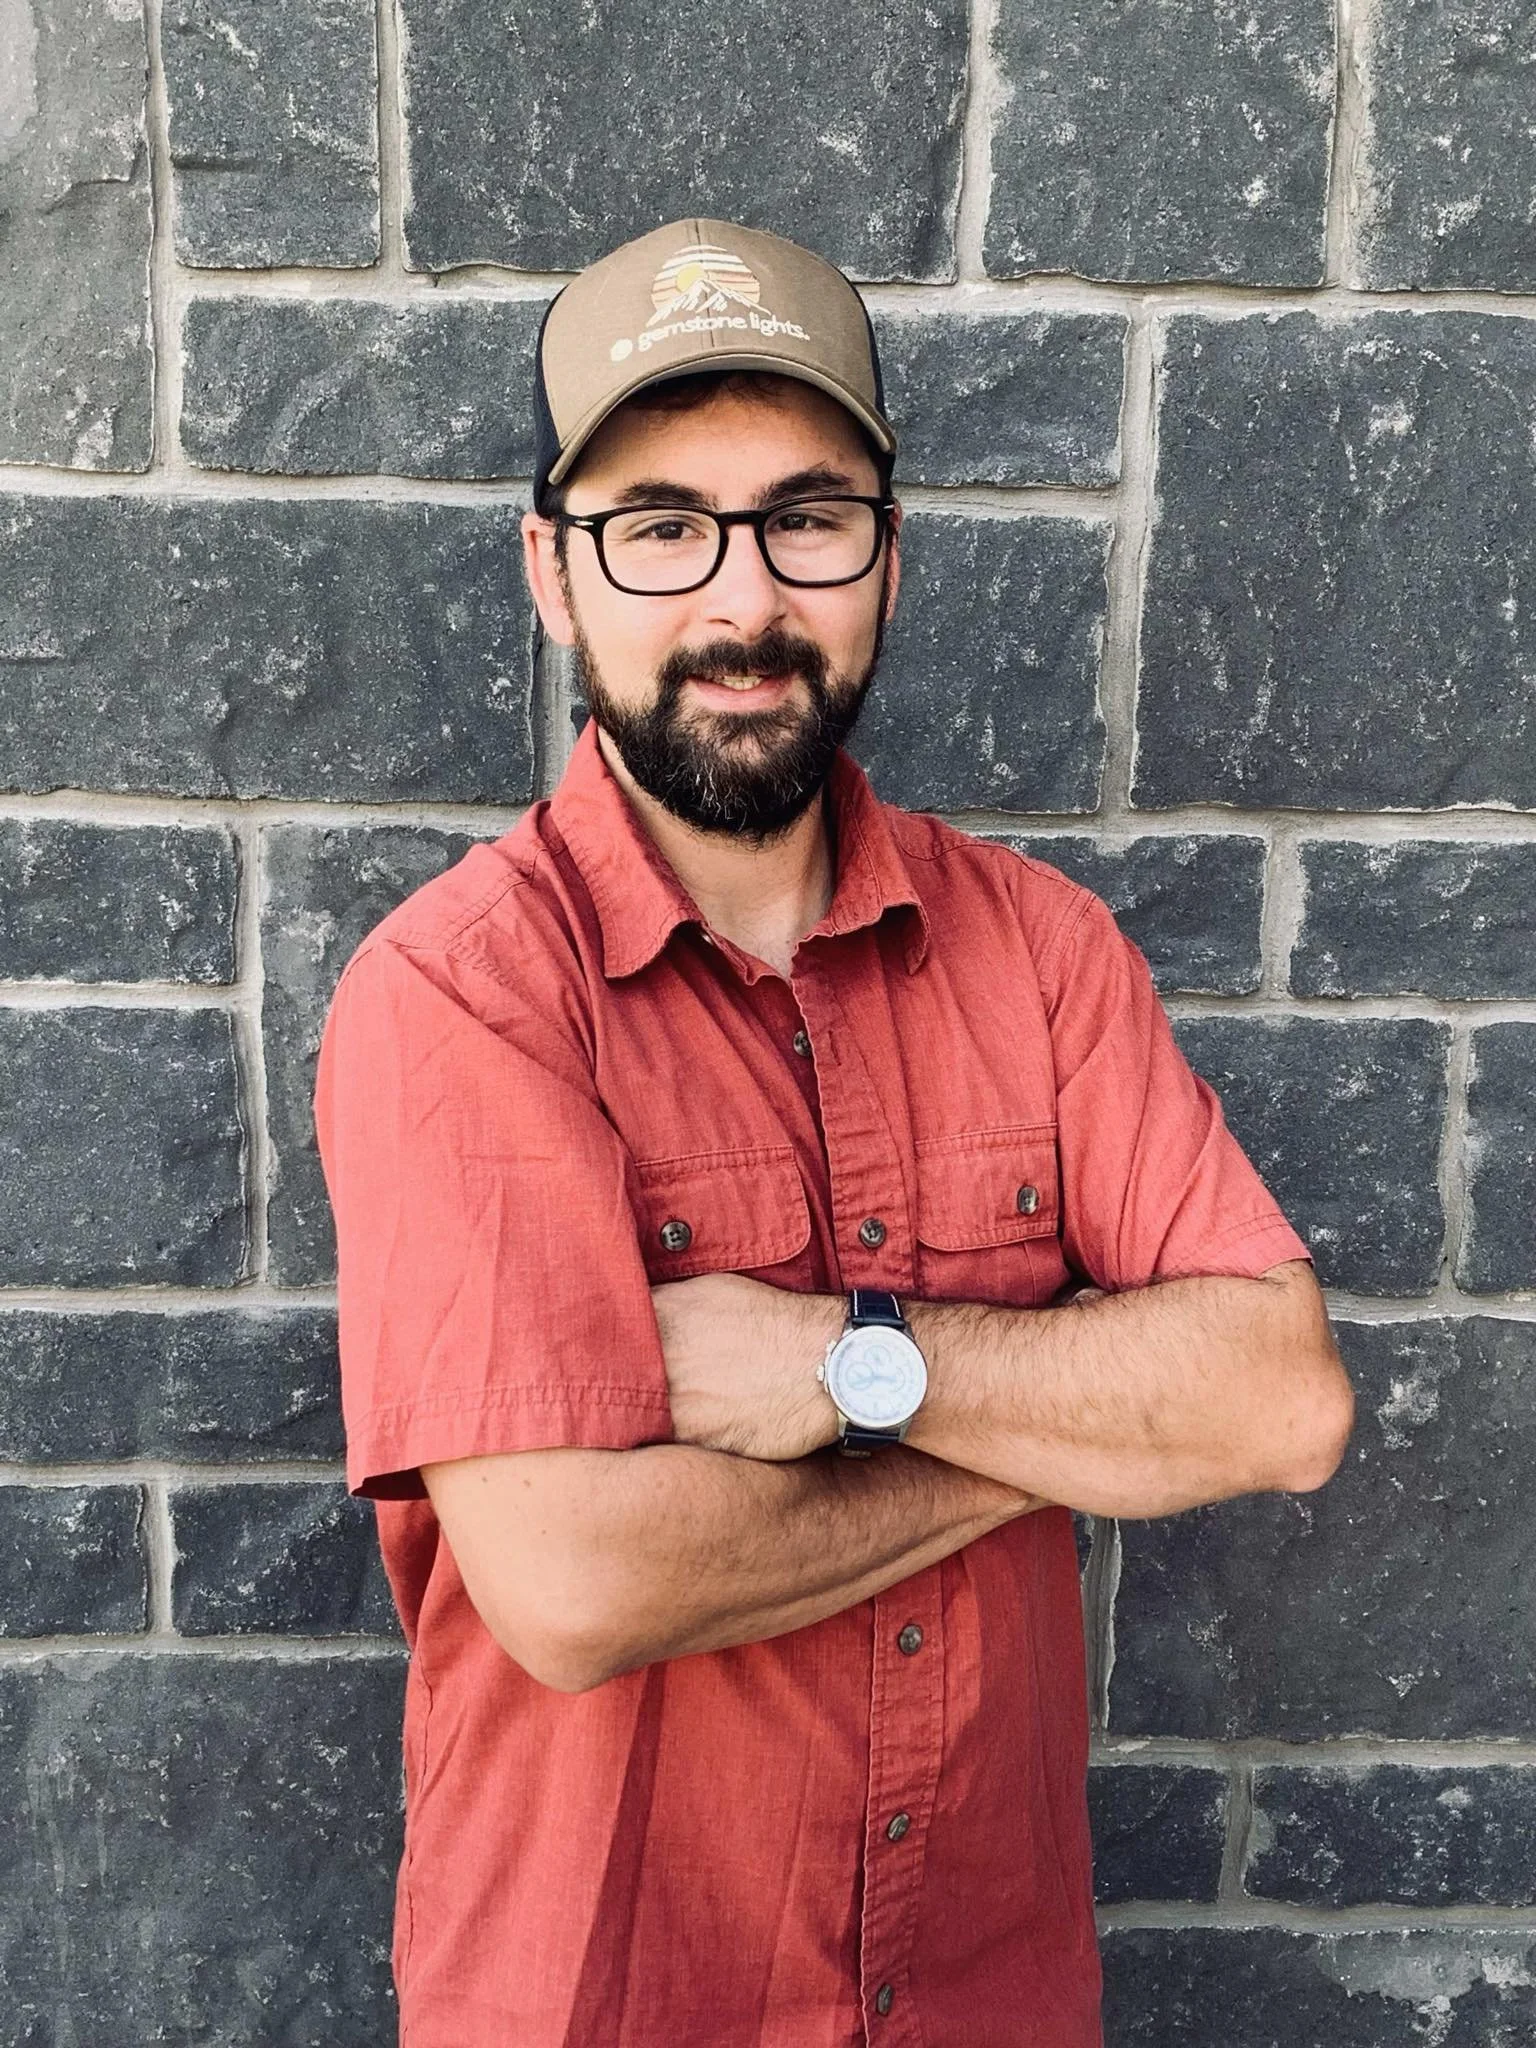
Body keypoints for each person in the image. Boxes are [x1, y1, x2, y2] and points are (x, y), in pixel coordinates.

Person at [313, 217, 1354, 2048]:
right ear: (553, 573)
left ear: (888, 553)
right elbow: (571, 1582)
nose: (741, 605)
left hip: (985, 1997)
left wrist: (840, 1363)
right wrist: (1069, 1425)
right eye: (660, 527)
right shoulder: (462, 997)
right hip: (614, 2002)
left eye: (808, 516)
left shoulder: (1040, 953)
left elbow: (1277, 1398)